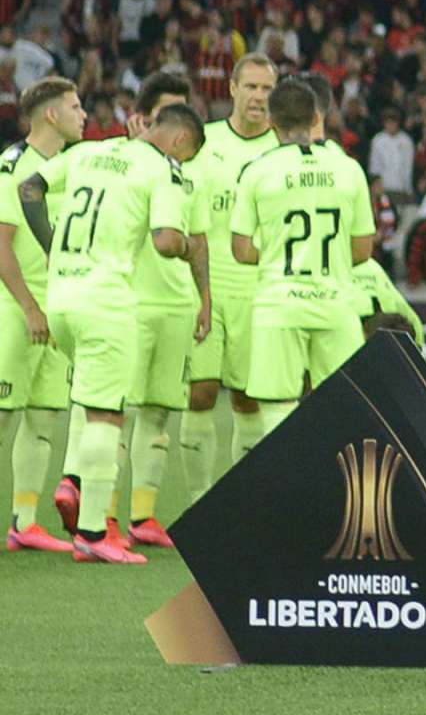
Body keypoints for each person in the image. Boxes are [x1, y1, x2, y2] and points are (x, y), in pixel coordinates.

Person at [16, 99, 204, 561]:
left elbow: (30, 187)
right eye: (187, 154)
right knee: (107, 415)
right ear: (179, 140)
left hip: (61, 297)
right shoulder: (160, 171)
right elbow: (164, 240)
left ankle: (75, 491)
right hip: (106, 301)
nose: (182, 162)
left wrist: (53, 246)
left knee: (90, 401)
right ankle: (95, 536)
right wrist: (182, 246)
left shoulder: (88, 152)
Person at [230, 78, 373, 455]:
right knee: (342, 407)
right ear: (315, 118)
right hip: (336, 303)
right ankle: (335, 497)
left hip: (279, 303)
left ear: (271, 123)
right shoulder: (348, 170)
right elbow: (363, 249)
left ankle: (284, 499)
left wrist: (278, 252)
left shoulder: (257, 171)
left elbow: (241, 249)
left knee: (277, 407)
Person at [180, 54, 279, 500]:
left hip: (258, 294)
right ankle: (200, 504)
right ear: (233, 89)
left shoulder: (282, 149)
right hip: (205, 289)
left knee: (247, 399)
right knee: (200, 394)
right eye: (252, 87)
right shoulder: (205, 143)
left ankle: (245, 503)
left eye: (267, 89)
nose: (259, 97)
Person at [119, 74, 210, 541]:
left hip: (176, 303)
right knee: (114, 411)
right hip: (130, 301)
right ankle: (101, 519)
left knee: (157, 413)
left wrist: (205, 300)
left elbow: (198, 238)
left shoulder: (184, 174)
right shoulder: (120, 162)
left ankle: (141, 516)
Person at [0, 78, 82, 553]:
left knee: (42, 417)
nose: (83, 114)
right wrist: (30, 306)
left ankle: (24, 522)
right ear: (51, 115)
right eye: (75, 106)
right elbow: (1, 244)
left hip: (58, 310)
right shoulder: (13, 166)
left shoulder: (68, 168)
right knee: (5, 417)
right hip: (15, 309)